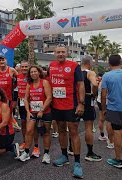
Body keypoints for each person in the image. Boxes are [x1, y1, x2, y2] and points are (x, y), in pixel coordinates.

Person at [49, 44, 85, 178]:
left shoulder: (75, 66)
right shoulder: (51, 66)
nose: (60, 54)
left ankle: (77, 163)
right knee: (61, 130)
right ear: (54, 53)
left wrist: (81, 103)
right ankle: (64, 156)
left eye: (63, 52)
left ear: (67, 52)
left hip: (71, 104)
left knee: (74, 132)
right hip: (57, 105)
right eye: (58, 52)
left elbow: (81, 84)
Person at [19, 66, 52, 164]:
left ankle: (46, 154)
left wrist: (42, 110)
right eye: (31, 72)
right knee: (29, 131)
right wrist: (28, 111)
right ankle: (26, 152)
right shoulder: (29, 84)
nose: (33, 74)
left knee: (45, 133)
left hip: (45, 112)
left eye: (35, 72)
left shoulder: (44, 82)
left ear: (39, 72)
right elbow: (25, 98)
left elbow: (49, 98)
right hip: (33, 111)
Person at [101, 54, 122, 169]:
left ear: (108, 63)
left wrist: (103, 109)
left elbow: (104, 94)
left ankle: (118, 159)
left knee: (117, 132)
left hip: (114, 108)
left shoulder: (106, 76)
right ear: (121, 62)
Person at [79, 55, 102, 162]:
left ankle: (70, 148)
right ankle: (89, 153)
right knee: (88, 126)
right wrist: (94, 93)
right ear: (90, 63)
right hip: (87, 99)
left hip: (76, 100)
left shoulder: (76, 72)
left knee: (73, 127)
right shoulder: (90, 72)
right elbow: (94, 83)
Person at [17, 61, 40, 155]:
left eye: (26, 67)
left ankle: (36, 146)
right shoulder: (17, 76)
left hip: (32, 102)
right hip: (21, 102)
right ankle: (25, 142)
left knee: (33, 126)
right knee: (23, 123)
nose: (24, 68)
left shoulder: (32, 77)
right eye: (22, 67)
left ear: (29, 67)